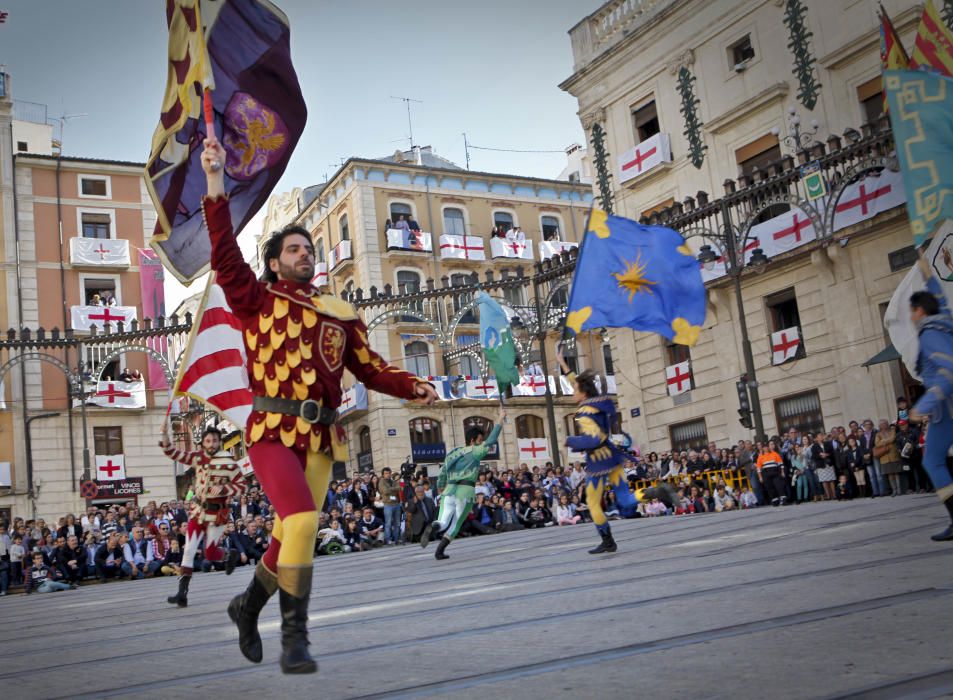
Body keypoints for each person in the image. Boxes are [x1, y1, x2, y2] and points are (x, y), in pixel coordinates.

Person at [200, 137, 437, 673]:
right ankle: (294, 640)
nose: (304, 253)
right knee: (304, 519)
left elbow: (370, 367)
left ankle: (247, 605)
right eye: (293, 249)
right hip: (271, 429)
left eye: (309, 248)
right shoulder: (256, 298)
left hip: (324, 438)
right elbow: (225, 255)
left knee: (290, 531)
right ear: (276, 263)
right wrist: (215, 183)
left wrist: (412, 386)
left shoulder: (340, 311)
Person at [557, 352, 676, 554]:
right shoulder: (596, 402)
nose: (572, 391)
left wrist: (570, 440)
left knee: (593, 503)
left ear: (583, 393)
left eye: (574, 389)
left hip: (599, 464)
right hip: (613, 458)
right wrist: (562, 363)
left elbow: (595, 439)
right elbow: (577, 382)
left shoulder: (585, 413)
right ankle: (656, 491)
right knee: (625, 499)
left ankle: (607, 540)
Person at [160, 425, 245, 608]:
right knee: (189, 550)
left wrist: (224, 488)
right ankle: (182, 594)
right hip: (198, 511)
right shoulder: (198, 457)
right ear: (203, 443)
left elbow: (242, 485)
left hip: (217, 513)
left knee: (210, 553)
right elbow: (174, 453)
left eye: (214, 440)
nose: (211, 444)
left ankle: (229, 554)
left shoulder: (228, 462)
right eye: (208, 441)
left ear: (219, 442)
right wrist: (165, 438)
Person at [422, 405, 506, 560]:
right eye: (480, 440)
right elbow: (492, 440)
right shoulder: (474, 451)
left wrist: (440, 487)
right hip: (465, 492)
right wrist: (500, 419)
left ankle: (433, 527)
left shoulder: (452, 453)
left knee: (442, 520)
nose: (482, 443)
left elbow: (442, 472)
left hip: (449, 490)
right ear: (473, 440)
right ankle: (439, 551)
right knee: (455, 524)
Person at [908, 257, 953, 541]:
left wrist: (922, 407)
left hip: (947, 409)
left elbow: (949, 373)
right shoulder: (945, 321)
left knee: (933, 461)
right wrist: (927, 272)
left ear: (920, 311)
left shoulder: (929, 335)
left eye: (912, 311)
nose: (911, 317)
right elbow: (941, 299)